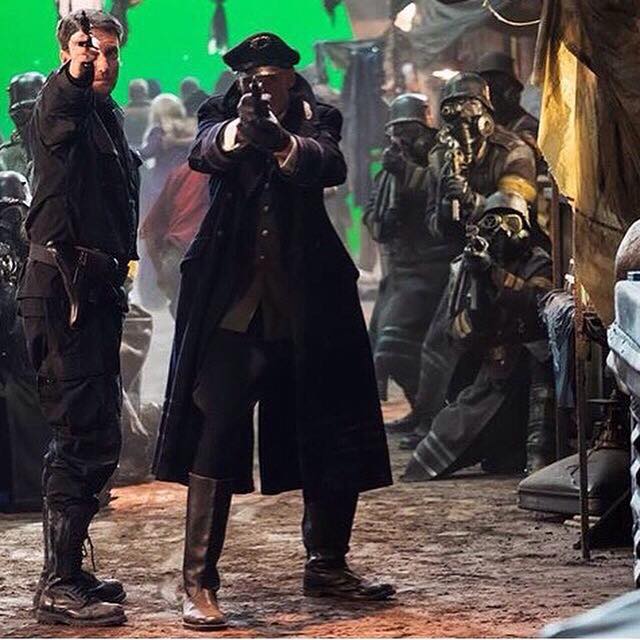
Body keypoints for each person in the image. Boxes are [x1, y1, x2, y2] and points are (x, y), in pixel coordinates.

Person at [153, 32, 395, 631]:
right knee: (216, 433)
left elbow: (328, 164)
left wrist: (283, 140)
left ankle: (327, 564)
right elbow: (205, 152)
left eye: (269, 77)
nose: (259, 86)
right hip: (235, 313)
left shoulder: (317, 117)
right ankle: (198, 582)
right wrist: (242, 130)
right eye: (250, 78)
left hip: (309, 308)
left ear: (290, 78)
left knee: (331, 430)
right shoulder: (219, 114)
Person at [18, 10, 140, 626]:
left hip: (91, 293)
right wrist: (75, 66)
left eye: (112, 53)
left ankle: (65, 570)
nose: (103, 63)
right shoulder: (57, 104)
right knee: (80, 437)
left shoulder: (106, 114)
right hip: (63, 293)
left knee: (92, 432)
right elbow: (61, 104)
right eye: (93, 52)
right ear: (66, 54)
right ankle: (59, 585)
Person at [393, 72, 539, 447]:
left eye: (469, 113)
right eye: (452, 115)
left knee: (517, 350)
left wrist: (472, 200)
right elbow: (435, 227)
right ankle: (433, 425)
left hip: (516, 262)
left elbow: (515, 218)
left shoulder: (514, 150)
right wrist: (446, 207)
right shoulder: (441, 157)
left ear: (486, 114)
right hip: (469, 262)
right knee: (440, 344)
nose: (462, 126)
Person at [402, 191, 554, 481]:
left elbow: (536, 304)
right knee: (431, 453)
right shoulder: (464, 268)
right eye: (492, 221)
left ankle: (538, 455)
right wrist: (479, 289)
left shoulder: (538, 262)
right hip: (489, 376)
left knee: (541, 356)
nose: (502, 230)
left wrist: (493, 273)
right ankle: (504, 448)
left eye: (512, 221)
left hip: (526, 373)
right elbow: (455, 333)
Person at [365, 93, 447, 409]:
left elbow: (441, 190)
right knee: (384, 350)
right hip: (402, 272)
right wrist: (381, 221)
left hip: (435, 270)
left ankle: (429, 411)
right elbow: (373, 213)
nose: (403, 140)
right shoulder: (387, 174)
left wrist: (408, 174)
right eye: (397, 132)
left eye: (411, 131)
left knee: (401, 348)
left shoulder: (441, 160)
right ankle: (421, 408)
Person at [140, 161, 209, 316]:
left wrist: (160, 271)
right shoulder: (237, 171)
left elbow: (151, 229)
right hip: (195, 257)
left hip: (177, 256)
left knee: (184, 317)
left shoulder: (183, 172)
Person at [0, 72, 46, 179]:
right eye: (19, 116)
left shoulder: (72, 149)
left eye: (33, 112)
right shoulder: (7, 157)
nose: (28, 123)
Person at [123, 77, 150, 147]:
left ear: (130, 94)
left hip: (130, 149)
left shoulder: (122, 112)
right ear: (146, 92)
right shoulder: (155, 111)